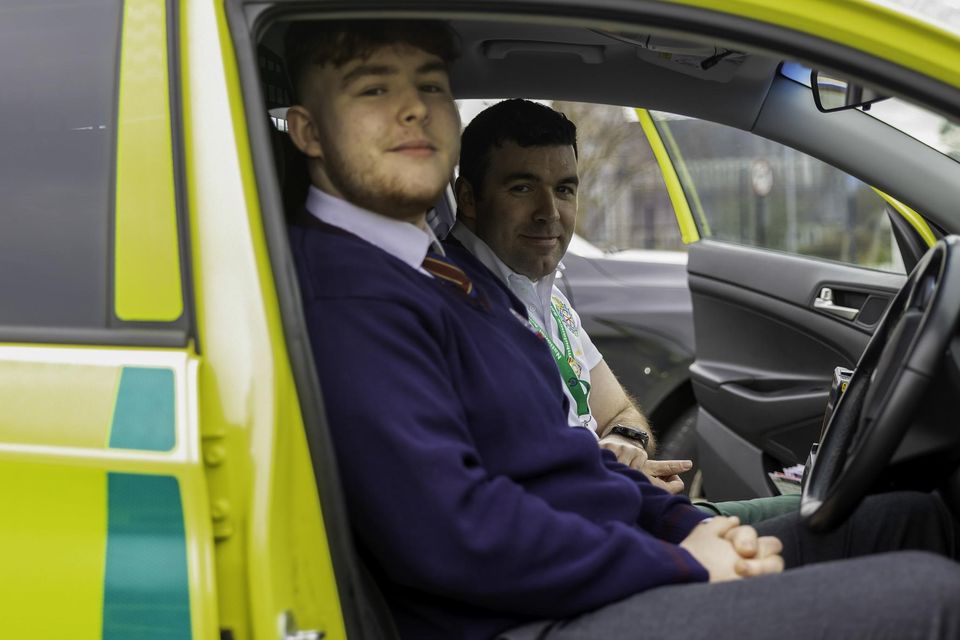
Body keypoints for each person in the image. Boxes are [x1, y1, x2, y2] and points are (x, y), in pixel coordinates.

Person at [283, 18, 960, 640]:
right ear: (308, 132)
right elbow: (453, 531)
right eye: (373, 87)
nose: (414, 108)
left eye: (432, 86)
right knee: (932, 595)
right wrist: (680, 561)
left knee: (912, 521)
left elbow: (562, 457)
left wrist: (686, 522)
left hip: (591, 566)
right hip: (529, 617)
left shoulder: (432, 275)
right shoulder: (349, 291)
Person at [451, 98, 800, 519]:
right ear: (469, 198)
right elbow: (515, 493)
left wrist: (626, 445)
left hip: (617, 517)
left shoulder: (543, 292)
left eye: (564, 189)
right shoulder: (464, 307)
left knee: (820, 509)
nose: (549, 212)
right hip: (600, 540)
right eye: (522, 188)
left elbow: (619, 411)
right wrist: (619, 486)